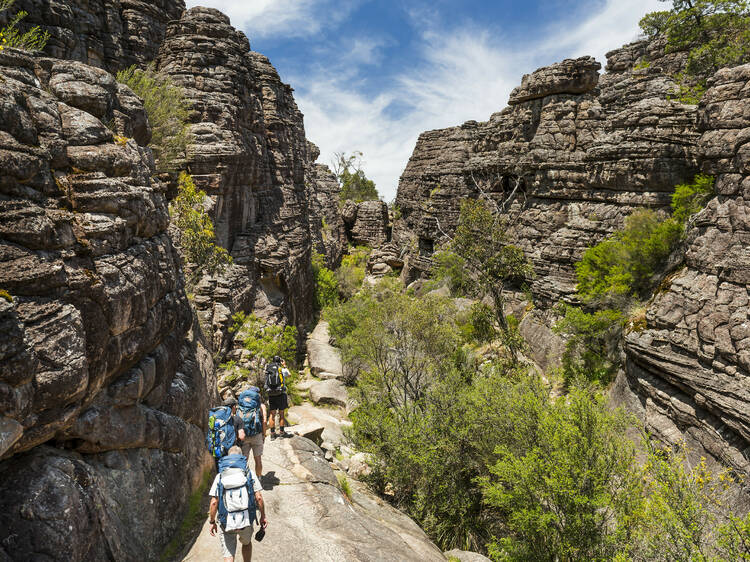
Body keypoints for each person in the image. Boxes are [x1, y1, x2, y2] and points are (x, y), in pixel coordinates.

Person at [209, 445, 267, 562]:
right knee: (246, 544)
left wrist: (212, 521)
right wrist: (263, 517)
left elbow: (214, 502)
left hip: (226, 521)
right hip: (245, 520)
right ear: (242, 458)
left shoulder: (220, 476)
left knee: (229, 554)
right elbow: (259, 498)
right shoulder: (249, 473)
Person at [238, 388, 267, 478]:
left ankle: (244, 478)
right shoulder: (261, 406)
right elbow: (264, 421)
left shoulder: (241, 406)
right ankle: (258, 478)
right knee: (258, 459)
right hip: (257, 434)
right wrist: (264, 434)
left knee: (244, 459)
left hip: (244, 434)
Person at [213, 397, 246, 473]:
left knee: (221, 471)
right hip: (232, 451)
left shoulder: (217, 419)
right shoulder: (237, 419)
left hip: (219, 450)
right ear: (233, 407)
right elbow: (242, 436)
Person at [265, 356, 291, 439]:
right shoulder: (281, 369)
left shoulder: (268, 369)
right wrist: (285, 366)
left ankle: (272, 434)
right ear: (280, 361)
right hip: (281, 393)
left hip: (271, 393)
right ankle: (281, 433)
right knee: (281, 414)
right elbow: (289, 375)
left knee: (272, 415)